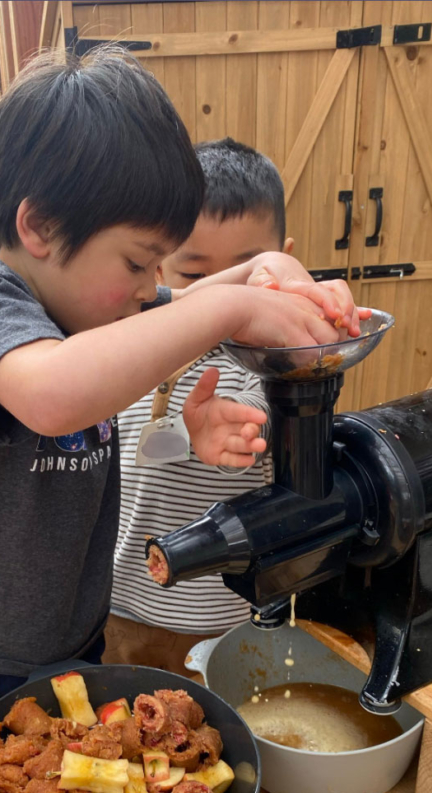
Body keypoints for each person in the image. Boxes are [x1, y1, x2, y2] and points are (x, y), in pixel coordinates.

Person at [0, 47, 365, 791]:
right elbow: (55, 395)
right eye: (140, 263)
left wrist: (265, 275)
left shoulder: (80, 296)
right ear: (39, 226)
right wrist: (233, 305)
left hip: (70, 641)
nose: (152, 289)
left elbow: (185, 307)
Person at [104, 139, 296, 678]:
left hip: (228, 623)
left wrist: (236, 423)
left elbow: (265, 407)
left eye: (245, 273)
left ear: (283, 258)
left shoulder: (274, 360)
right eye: (195, 276)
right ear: (157, 270)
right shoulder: (127, 349)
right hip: (123, 608)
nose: (221, 301)